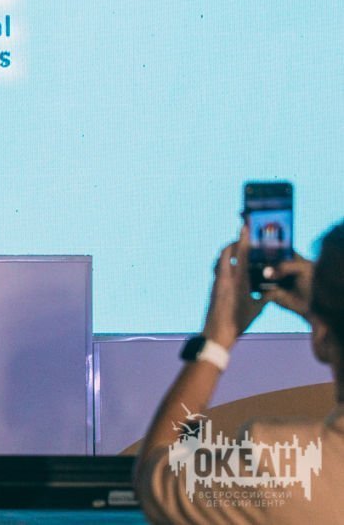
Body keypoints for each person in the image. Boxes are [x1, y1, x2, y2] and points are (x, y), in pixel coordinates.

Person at [135, 221, 344, 522]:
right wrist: (324, 314)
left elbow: (157, 474)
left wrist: (216, 341)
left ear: (322, 339)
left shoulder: (280, 470)